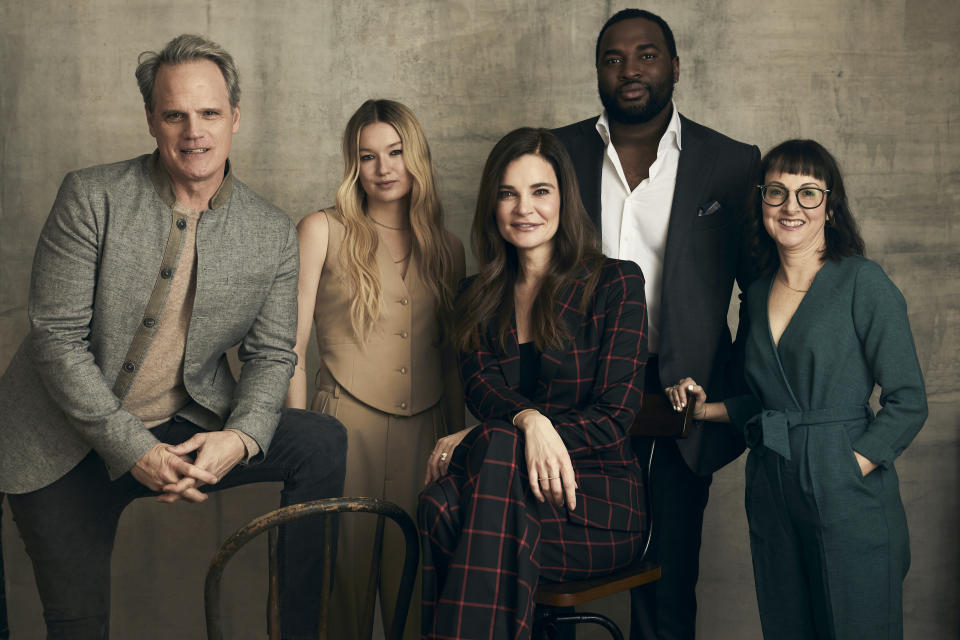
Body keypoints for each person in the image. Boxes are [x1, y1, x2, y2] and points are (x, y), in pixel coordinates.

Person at [0, 34, 347, 639]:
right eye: (175, 114)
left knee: (319, 442)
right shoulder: (91, 196)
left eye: (210, 112)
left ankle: (298, 628)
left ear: (235, 117)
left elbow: (271, 355)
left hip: (181, 420)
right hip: (61, 439)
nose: (195, 132)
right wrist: (133, 448)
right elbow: (56, 339)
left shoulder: (269, 233)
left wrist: (239, 438)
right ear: (151, 120)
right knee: (78, 625)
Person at [551, 9, 760, 639]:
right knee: (552, 576)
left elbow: (758, 287)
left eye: (646, 55)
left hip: (677, 398)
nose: (630, 69)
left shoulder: (730, 162)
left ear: (674, 66)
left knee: (668, 587)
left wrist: (733, 388)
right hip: (575, 398)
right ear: (597, 71)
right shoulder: (556, 153)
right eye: (614, 58)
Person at [668, 139, 927, 640]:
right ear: (761, 203)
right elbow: (766, 402)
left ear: (830, 207)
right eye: (777, 192)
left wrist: (850, 465)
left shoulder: (862, 282)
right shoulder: (759, 292)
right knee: (787, 624)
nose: (791, 207)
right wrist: (704, 410)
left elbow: (908, 400)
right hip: (772, 479)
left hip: (844, 480)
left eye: (809, 193)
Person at [419, 127, 648, 639]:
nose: (525, 208)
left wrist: (501, 433)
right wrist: (529, 420)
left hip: (592, 503)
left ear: (564, 199)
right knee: (449, 500)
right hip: (508, 493)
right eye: (508, 193)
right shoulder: (473, 296)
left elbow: (615, 418)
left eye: (540, 191)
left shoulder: (615, 284)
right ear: (492, 205)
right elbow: (484, 393)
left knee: (450, 506)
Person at [285, 98, 465, 639]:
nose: (384, 168)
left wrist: (456, 448)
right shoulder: (321, 229)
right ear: (352, 165)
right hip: (341, 430)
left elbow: (452, 362)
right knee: (340, 594)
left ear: (417, 157)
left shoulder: (449, 250)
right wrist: (302, 442)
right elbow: (290, 348)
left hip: (428, 439)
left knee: (419, 593)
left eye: (396, 151)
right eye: (368, 156)